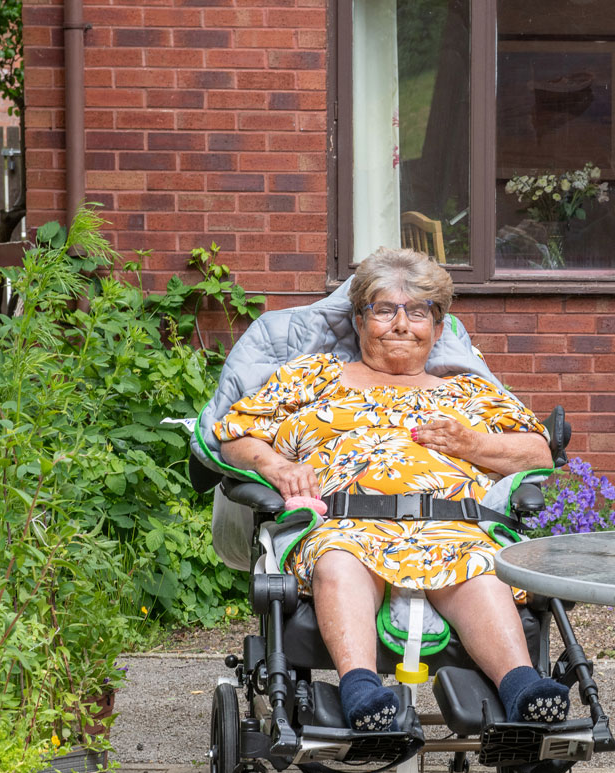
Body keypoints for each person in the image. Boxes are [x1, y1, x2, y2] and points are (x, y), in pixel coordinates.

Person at [213, 247, 570, 731]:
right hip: (344, 520)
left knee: (481, 565)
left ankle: (522, 687)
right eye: (385, 310)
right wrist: (276, 466)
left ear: (438, 328)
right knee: (340, 558)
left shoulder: (468, 392)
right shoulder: (314, 377)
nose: (402, 324)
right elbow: (233, 432)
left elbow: (538, 452)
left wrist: (474, 443)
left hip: (452, 521)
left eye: (418, 312)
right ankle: (361, 692)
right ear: (359, 320)